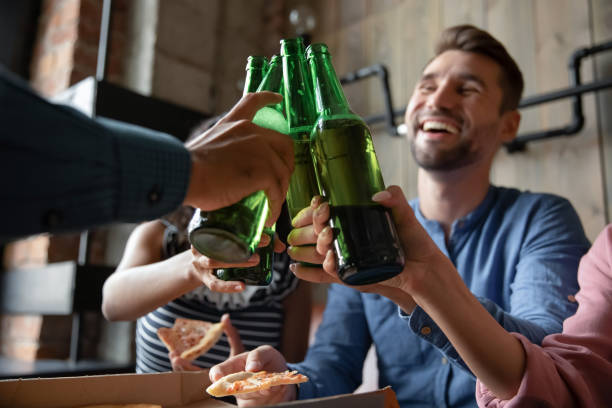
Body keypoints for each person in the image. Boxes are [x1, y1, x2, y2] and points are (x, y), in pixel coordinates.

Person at [208, 25, 592, 407]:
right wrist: (284, 385)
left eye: (467, 89)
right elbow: (334, 364)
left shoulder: (542, 218)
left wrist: (421, 287)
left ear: (509, 124)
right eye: (426, 86)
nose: (437, 100)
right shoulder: (354, 231)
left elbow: (546, 355)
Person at [0, 66, 293, 242]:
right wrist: (193, 171)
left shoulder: (270, 240)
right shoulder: (162, 232)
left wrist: (192, 171)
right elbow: (114, 301)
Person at [101, 192, 312, 373]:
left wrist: (245, 379)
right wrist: (192, 268)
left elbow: (290, 370)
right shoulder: (160, 236)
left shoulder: (290, 264)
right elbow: (112, 305)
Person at [475, 224, 612, 407]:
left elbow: (543, 339)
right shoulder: (608, 248)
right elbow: (578, 373)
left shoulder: (542, 219)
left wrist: (439, 288)